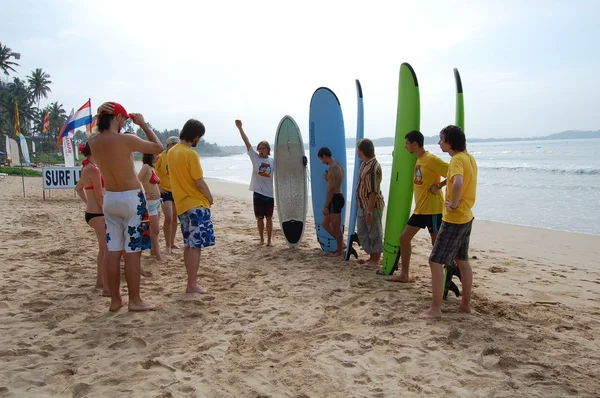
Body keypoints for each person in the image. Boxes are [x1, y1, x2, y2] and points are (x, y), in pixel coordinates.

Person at [88, 102, 163, 312]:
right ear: (119, 118)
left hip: (110, 198)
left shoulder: (93, 141)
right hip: (131, 198)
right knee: (132, 251)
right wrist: (143, 124)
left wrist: (100, 113)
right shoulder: (126, 139)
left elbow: (99, 130)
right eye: (124, 120)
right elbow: (158, 148)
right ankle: (135, 300)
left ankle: (114, 300)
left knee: (113, 251)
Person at [421, 125, 477, 319]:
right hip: (467, 216)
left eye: (442, 139)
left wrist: (453, 203)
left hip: (455, 218)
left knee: (435, 260)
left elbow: (459, 182)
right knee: (462, 261)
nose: (439, 143)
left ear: (450, 142)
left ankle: (435, 308)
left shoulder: (456, 160)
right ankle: (465, 305)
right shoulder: (469, 158)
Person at [387, 130, 449, 283]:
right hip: (420, 210)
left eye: (407, 143)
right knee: (404, 238)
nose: (405, 146)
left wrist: (439, 186)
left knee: (436, 246)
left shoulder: (431, 159)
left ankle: (440, 280)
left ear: (414, 144)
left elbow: (454, 172)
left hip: (433, 210)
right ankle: (404, 275)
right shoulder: (419, 158)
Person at [168, 119, 215, 294]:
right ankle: (192, 284)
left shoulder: (172, 152)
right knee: (195, 246)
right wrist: (209, 198)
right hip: (196, 203)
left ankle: (190, 282)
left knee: (189, 244)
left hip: (181, 204)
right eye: (199, 138)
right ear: (195, 137)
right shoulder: (190, 154)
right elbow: (199, 181)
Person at [74, 142, 108, 296]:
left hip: (91, 213)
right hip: (98, 214)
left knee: (103, 249)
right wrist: (105, 211)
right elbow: (100, 195)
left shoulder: (86, 168)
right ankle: (105, 285)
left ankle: (100, 282)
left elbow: (78, 188)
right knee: (106, 249)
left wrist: (88, 203)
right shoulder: (93, 169)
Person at [235, 119, 275, 246]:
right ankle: (261, 239)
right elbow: (247, 143)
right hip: (258, 193)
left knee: (269, 218)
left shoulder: (273, 161)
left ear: (268, 149)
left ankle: (269, 240)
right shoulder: (255, 158)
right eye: (259, 148)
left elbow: (285, 164)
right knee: (259, 218)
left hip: (269, 194)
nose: (260, 150)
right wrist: (240, 128)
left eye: (263, 148)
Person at [355, 139, 385, 268]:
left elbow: (373, 191)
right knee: (362, 231)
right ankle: (372, 256)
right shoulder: (364, 164)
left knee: (374, 232)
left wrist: (369, 211)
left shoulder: (373, 167)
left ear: (362, 151)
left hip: (371, 205)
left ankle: (375, 259)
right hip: (362, 204)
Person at [318, 147, 345, 256]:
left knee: (336, 227)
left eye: (321, 159)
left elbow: (331, 190)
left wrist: (325, 206)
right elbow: (336, 181)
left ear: (324, 156)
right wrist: (328, 179)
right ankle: (341, 244)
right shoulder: (339, 165)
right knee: (325, 224)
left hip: (334, 198)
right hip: (339, 195)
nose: (322, 162)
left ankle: (340, 250)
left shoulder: (333, 168)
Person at [138, 153, 164, 263]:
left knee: (155, 230)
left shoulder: (151, 168)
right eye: (156, 155)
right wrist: (144, 195)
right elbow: (136, 181)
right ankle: (158, 256)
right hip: (150, 203)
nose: (158, 156)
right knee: (155, 230)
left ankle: (154, 251)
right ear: (150, 156)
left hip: (157, 202)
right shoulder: (145, 167)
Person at [155, 136, 179, 253]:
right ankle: (167, 245)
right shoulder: (161, 156)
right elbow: (152, 172)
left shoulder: (178, 157)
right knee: (168, 217)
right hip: (164, 190)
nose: (176, 146)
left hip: (176, 190)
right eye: (174, 144)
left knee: (175, 217)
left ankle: (172, 242)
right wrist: (158, 187)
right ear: (169, 145)